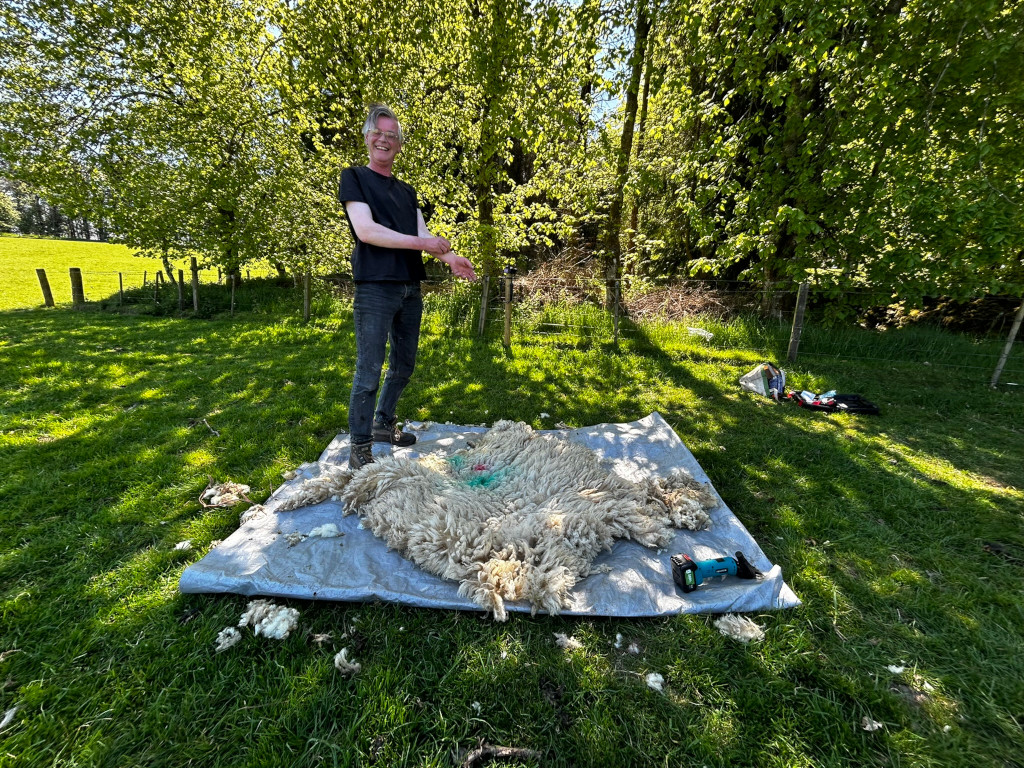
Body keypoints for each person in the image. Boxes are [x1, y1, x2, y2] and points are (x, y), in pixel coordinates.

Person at [339, 104, 477, 470]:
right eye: (378, 133)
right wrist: (424, 246)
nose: (384, 140)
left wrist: (451, 259)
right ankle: (360, 446)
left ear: (399, 145)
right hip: (375, 288)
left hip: (409, 288)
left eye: (392, 136)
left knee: (404, 365)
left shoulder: (407, 191)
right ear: (367, 138)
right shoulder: (353, 177)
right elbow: (366, 231)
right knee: (369, 369)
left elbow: (422, 234)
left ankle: (384, 425)